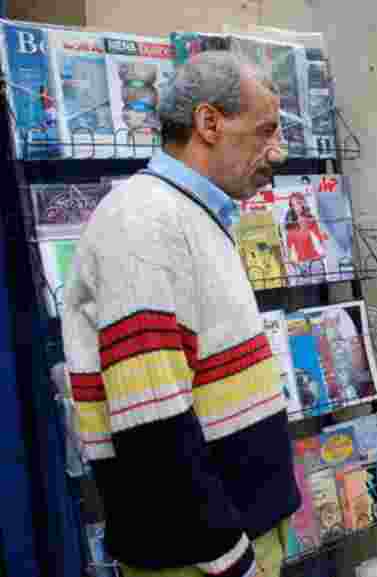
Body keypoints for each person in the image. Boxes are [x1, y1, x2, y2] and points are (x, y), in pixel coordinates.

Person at [62, 51, 298, 577]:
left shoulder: (183, 214)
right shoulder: (143, 224)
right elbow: (153, 427)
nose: (278, 152)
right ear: (209, 123)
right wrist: (230, 559)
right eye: (265, 131)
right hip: (200, 558)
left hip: (229, 540)